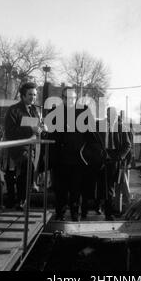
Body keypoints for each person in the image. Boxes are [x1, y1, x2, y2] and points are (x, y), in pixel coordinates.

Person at [4, 82, 45, 210]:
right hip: (19, 148)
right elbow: (10, 132)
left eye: (35, 95)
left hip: (34, 147)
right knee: (27, 168)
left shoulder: (35, 110)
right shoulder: (13, 110)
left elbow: (38, 128)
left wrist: (42, 129)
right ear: (22, 95)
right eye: (30, 95)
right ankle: (22, 200)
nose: (33, 97)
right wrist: (30, 130)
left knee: (30, 170)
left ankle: (23, 198)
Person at [51, 87, 88, 221]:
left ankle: (74, 213)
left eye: (72, 98)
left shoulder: (84, 111)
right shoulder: (55, 112)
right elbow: (51, 132)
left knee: (75, 190)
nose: (69, 100)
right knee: (60, 189)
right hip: (60, 158)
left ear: (76, 98)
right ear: (63, 98)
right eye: (66, 98)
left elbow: (90, 134)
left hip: (78, 158)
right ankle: (60, 213)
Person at [96, 107, 131, 220]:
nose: (111, 117)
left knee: (110, 186)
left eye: (113, 115)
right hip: (102, 156)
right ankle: (98, 206)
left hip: (115, 158)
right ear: (106, 115)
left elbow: (127, 145)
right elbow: (95, 141)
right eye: (109, 115)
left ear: (116, 116)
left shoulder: (122, 128)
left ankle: (108, 213)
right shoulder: (100, 125)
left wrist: (120, 157)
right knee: (100, 184)